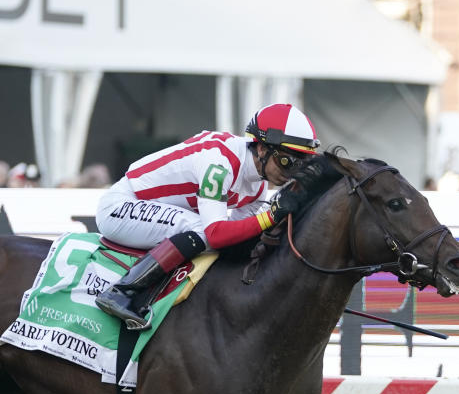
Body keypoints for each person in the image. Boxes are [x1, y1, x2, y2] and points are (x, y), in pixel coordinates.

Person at [94, 102, 323, 329]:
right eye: (287, 161)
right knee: (201, 230)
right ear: (262, 148)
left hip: (147, 211)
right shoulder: (220, 162)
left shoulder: (258, 187)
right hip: (120, 206)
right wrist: (271, 216)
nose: (291, 174)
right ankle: (121, 292)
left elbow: (235, 241)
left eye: (301, 165)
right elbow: (215, 235)